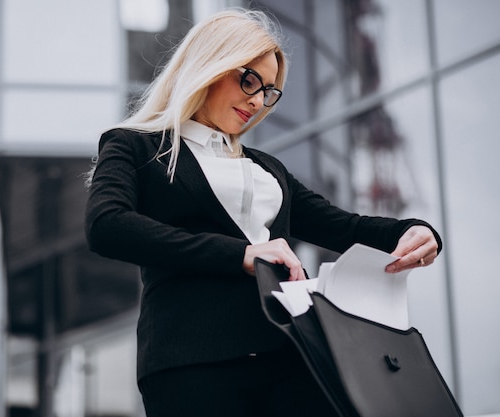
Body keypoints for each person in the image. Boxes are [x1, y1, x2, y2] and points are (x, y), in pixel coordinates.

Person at [85, 8, 441, 417]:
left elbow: (344, 227)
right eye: (249, 79)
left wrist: (415, 230)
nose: (257, 100)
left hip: (290, 356)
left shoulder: (269, 170)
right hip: (192, 364)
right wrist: (241, 254)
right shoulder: (136, 146)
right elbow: (106, 225)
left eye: (268, 91)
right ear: (210, 65)